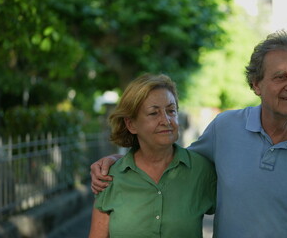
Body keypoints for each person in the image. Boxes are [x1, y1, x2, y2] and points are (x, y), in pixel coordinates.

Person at [90, 30, 287, 238]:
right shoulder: (225, 128)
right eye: (280, 76)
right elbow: (168, 160)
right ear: (256, 84)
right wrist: (117, 162)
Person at [88, 74, 216, 238]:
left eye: (171, 111)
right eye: (154, 113)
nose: (166, 120)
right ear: (131, 124)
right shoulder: (110, 177)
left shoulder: (201, 170)